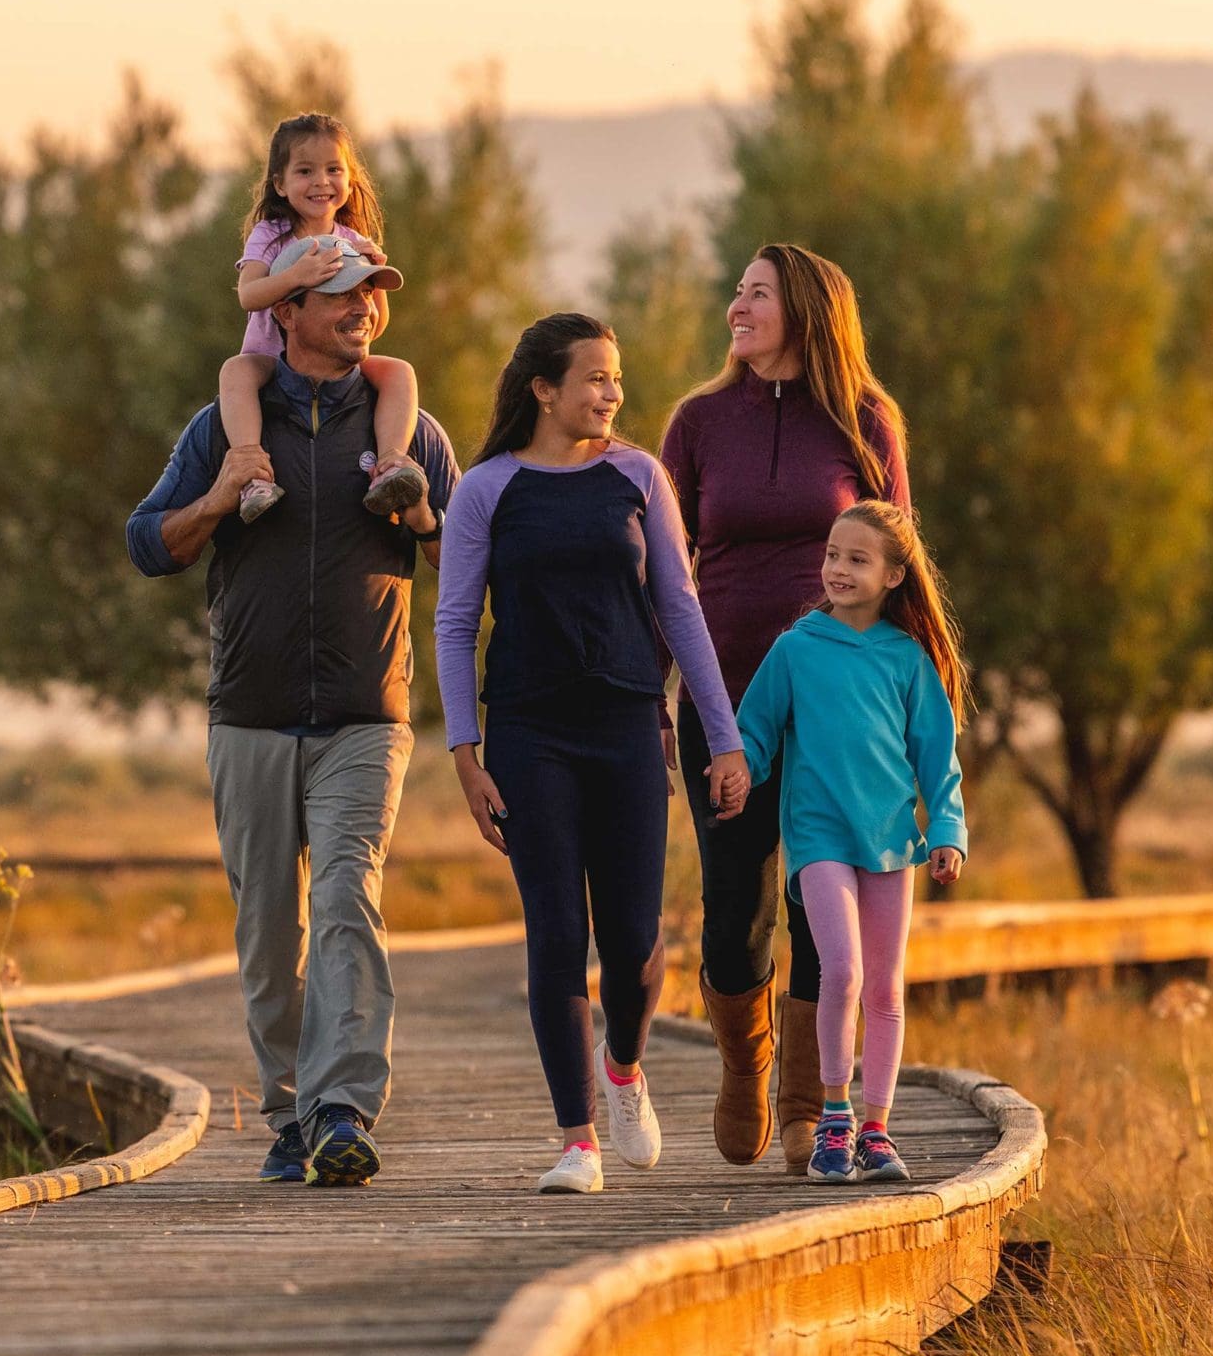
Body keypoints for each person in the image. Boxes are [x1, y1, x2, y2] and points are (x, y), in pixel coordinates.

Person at [125, 236, 457, 1187]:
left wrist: (425, 517)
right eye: (343, 295)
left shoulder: (405, 426)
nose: (364, 309)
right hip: (251, 715)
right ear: (289, 313)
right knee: (272, 936)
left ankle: (343, 1106)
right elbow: (149, 542)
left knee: (348, 895)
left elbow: (473, 556)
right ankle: (289, 1110)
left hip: (366, 713)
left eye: (372, 295)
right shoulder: (227, 426)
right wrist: (221, 500)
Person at [435, 313, 748, 1195]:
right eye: (596, 378)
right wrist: (467, 751)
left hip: (626, 727)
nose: (612, 393)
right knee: (557, 933)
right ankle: (578, 1140)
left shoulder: (639, 477)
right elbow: (456, 624)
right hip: (530, 733)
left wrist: (721, 738)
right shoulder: (487, 489)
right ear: (544, 388)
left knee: (636, 939)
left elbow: (682, 612)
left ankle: (623, 1066)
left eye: (617, 378)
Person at [658, 242, 912, 1173]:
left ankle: (808, 1106)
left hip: (836, 706)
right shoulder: (696, 422)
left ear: (803, 310)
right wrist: (656, 683)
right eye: (735, 291)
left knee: (823, 906)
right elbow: (661, 567)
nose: (736, 306)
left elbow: (900, 563)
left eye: (755, 293)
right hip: (723, 698)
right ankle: (745, 1067)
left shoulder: (866, 423)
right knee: (733, 906)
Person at [728, 500, 969, 1185]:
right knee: (844, 972)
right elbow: (757, 730)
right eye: (833, 554)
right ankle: (833, 1120)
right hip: (819, 837)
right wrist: (738, 768)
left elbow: (937, 759)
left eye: (856, 559)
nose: (837, 568)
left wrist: (947, 832)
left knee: (887, 989)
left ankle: (876, 1129)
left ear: (894, 575)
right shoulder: (797, 648)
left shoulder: (909, 659)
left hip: (893, 842)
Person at [222, 112, 428, 524]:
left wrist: (373, 279)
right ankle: (252, 471)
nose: (321, 181)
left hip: (335, 358)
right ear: (280, 184)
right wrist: (296, 276)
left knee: (399, 372)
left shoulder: (353, 240)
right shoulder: (271, 233)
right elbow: (249, 295)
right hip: (272, 357)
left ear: (350, 179)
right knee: (236, 372)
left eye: (334, 169)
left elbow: (375, 323)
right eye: (305, 171)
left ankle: (390, 465)